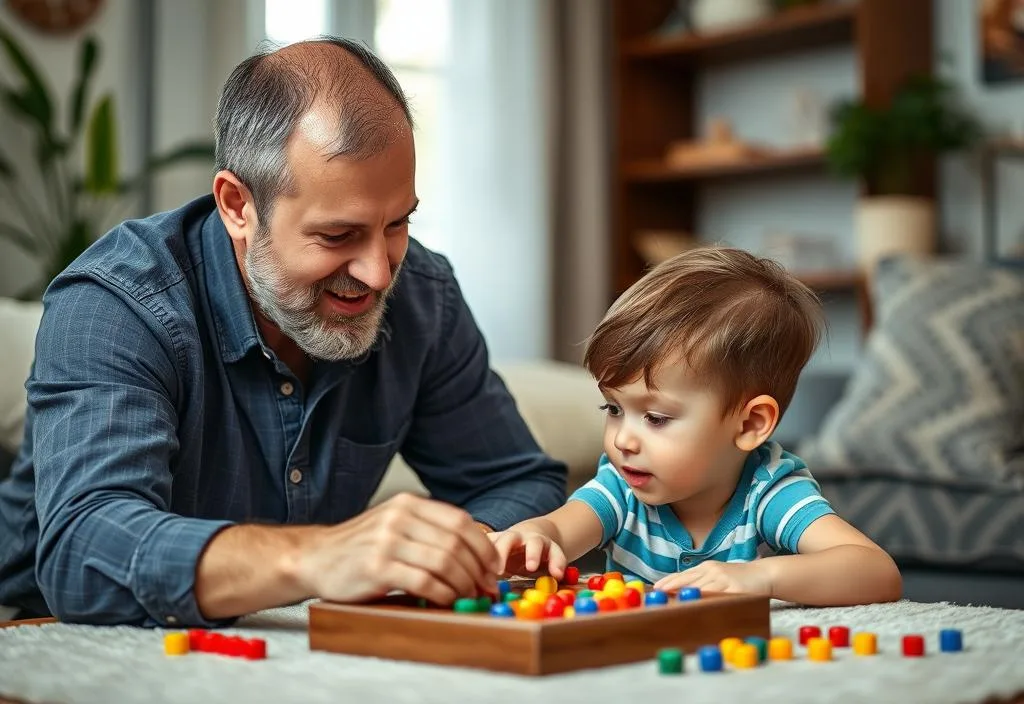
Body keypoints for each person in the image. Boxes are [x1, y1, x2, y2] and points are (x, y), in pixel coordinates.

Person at [0, 37, 566, 626]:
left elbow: (517, 479)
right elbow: (84, 552)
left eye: (398, 222)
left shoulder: (424, 294)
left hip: (295, 639)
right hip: (54, 636)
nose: (378, 273)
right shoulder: (117, 304)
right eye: (337, 235)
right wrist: (321, 557)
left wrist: (463, 546)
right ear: (237, 205)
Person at [488, 247, 902, 606]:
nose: (624, 440)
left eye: (656, 418)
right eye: (613, 408)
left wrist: (760, 578)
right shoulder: (621, 488)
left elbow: (875, 571)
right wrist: (533, 536)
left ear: (750, 423)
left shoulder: (769, 490)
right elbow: (559, 527)